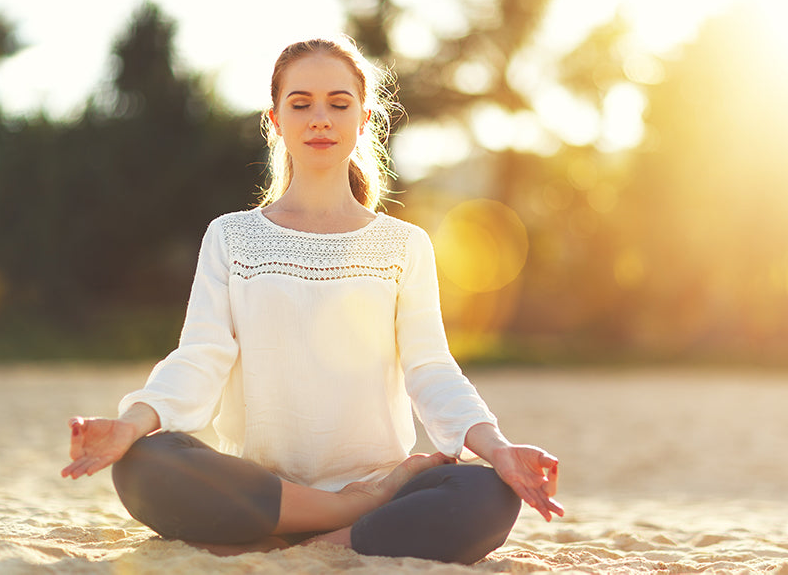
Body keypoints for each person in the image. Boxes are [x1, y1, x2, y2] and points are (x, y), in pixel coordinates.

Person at [62, 36, 563, 564]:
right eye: (300, 104)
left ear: (364, 119)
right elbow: (201, 356)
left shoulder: (404, 245)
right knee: (145, 462)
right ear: (275, 120)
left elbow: (431, 368)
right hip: (263, 488)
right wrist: (132, 423)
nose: (319, 118)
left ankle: (303, 536)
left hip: (372, 482)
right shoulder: (231, 237)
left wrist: (500, 449)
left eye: (338, 104)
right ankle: (344, 515)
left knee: (488, 493)